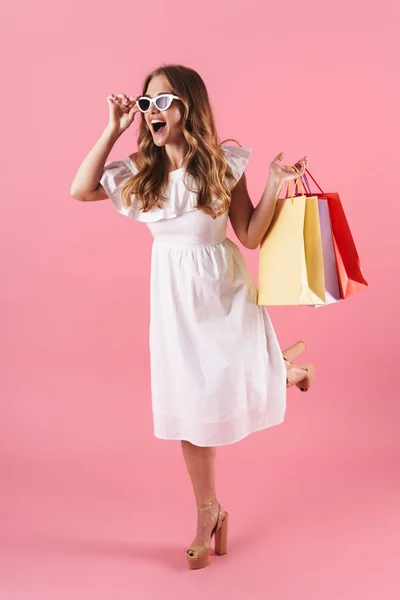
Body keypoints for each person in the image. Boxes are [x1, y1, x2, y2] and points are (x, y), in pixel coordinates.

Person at [70, 64, 315, 570]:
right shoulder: (142, 169)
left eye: (163, 101)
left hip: (224, 288)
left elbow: (248, 235)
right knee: (192, 403)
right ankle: (210, 512)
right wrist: (112, 129)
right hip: (175, 298)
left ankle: (280, 369)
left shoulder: (224, 161)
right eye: (146, 103)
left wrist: (272, 182)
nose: (152, 112)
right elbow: (80, 188)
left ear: (187, 106)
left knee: (221, 380)